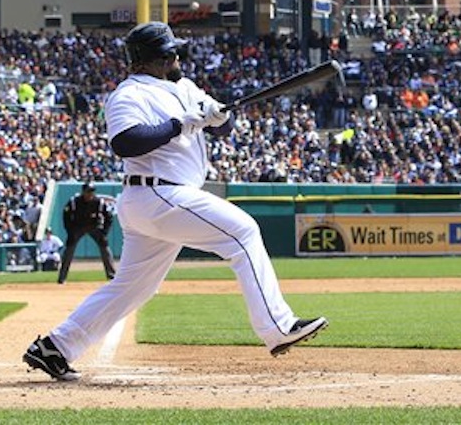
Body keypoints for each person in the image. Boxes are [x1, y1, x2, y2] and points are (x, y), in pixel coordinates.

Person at [23, 21, 328, 381]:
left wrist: (219, 118)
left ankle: (55, 348)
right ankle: (278, 326)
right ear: (158, 58)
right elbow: (125, 142)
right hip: (156, 193)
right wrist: (179, 124)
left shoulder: (184, 86)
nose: (178, 56)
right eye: (171, 52)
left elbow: (219, 126)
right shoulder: (129, 93)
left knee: (135, 287)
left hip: (165, 197)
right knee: (243, 232)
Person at [57, 182, 116, 284]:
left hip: (94, 226)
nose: (90, 194)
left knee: (104, 246)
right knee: (69, 249)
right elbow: (66, 215)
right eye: (88, 192)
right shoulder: (74, 201)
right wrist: (70, 231)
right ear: (83, 192)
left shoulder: (99, 202)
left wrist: (104, 232)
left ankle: (111, 275)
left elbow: (108, 217)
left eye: (92, 192)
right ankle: (62, 278)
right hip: (78, 226)